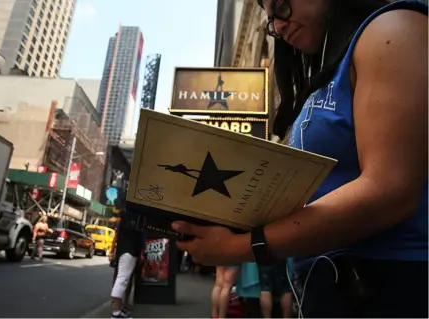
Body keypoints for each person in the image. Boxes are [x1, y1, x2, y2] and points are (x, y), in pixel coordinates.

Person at [171, 0, 428, 317]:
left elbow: (390, 192)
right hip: (330, 288)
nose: (277, 25)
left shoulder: (393, 29)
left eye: (281, 5)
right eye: (269, 19)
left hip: (392, 288)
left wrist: (236, 247)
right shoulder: (329, 71)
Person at [110, 211, 144, 319]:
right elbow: (139, 238)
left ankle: (117, 310)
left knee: (121, 279)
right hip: (130, 251)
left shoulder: (124, 218)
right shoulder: (137, 218)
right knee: (122, 279)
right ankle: (116, 313)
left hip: (124, 250)